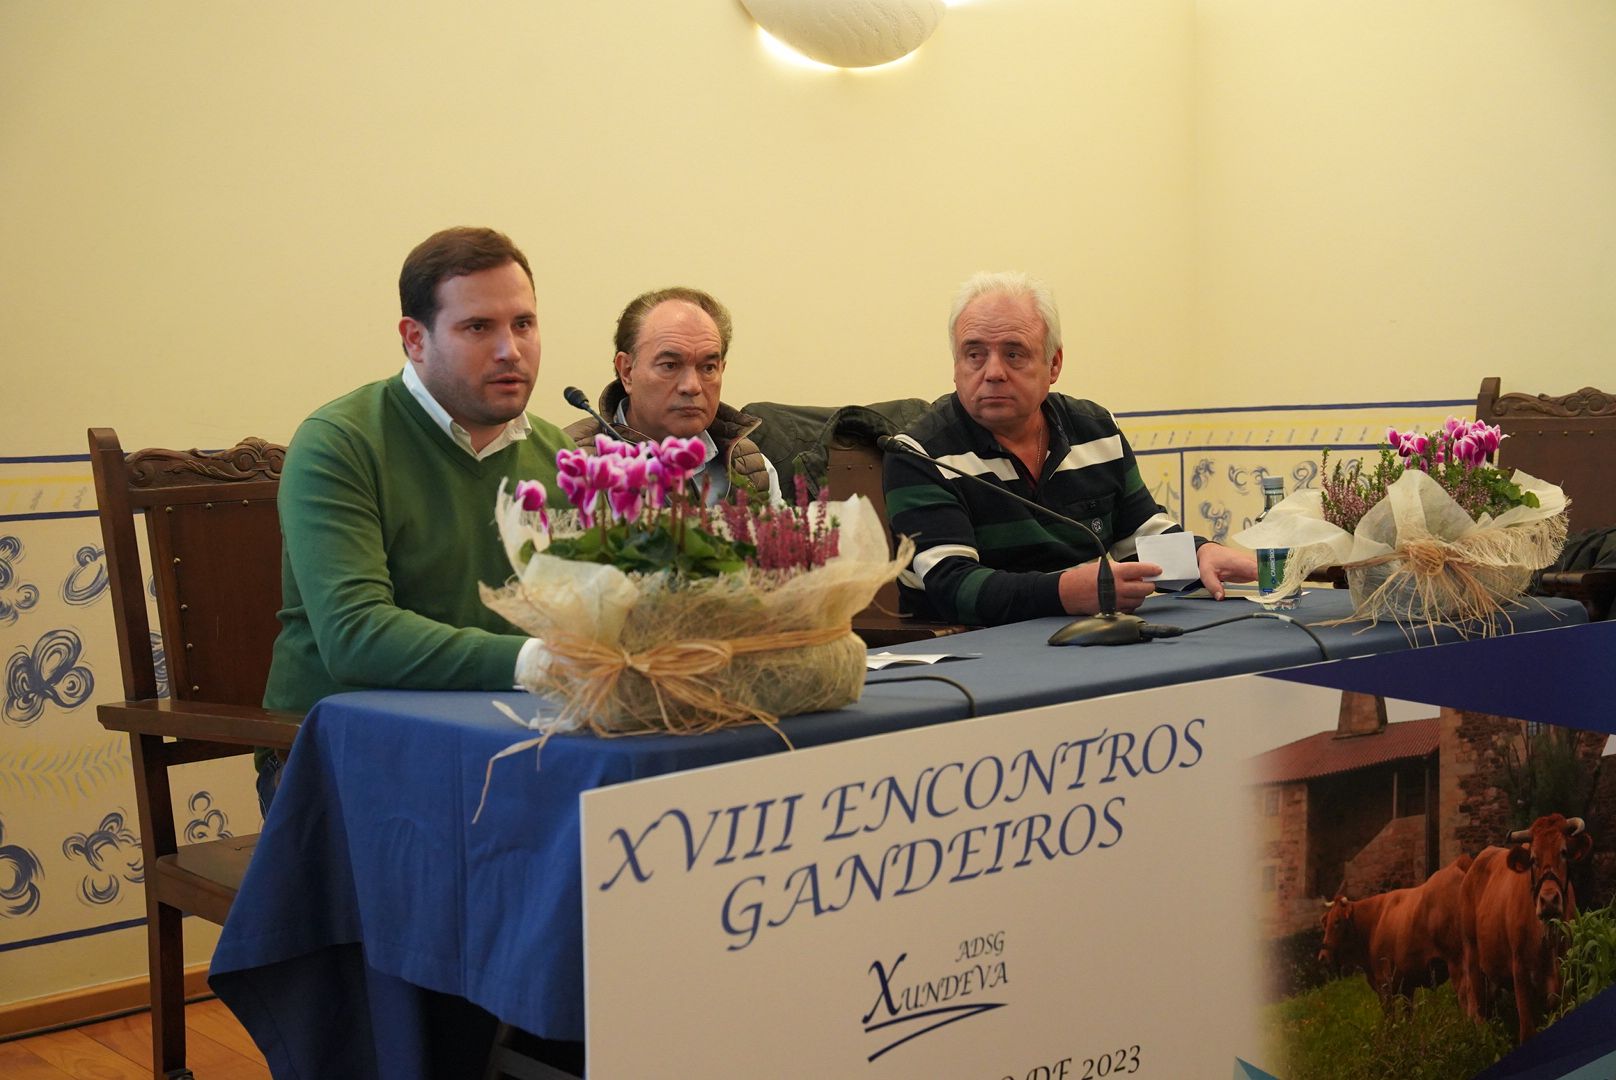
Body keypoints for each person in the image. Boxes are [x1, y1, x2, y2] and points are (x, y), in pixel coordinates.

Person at [259, 226, 573, 810]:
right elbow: (357, 637)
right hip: (352, 758)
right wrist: (538, 662)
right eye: (478, 327)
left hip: (518, 746)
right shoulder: (341, 442)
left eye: (523, 324)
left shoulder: (562, 456)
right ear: (415, 339)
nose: (511, 349)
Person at [883, 270, 1256, 627]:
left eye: (1013, 354)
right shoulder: (917, 453)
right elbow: (953, 586)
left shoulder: (1094, 430)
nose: (993, 372)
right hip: (973, 652)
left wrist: (1201, 555)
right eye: (974, 354)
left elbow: (1140, 539)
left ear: (1054, 363)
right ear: (956, 365)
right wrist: (1063, 592)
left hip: (1086, 636)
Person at [565, 287, 782, 504]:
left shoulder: (752, 468)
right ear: (627, 372)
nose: (692, 386)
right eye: (670, 365)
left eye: (708, 368)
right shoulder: (569, 463)